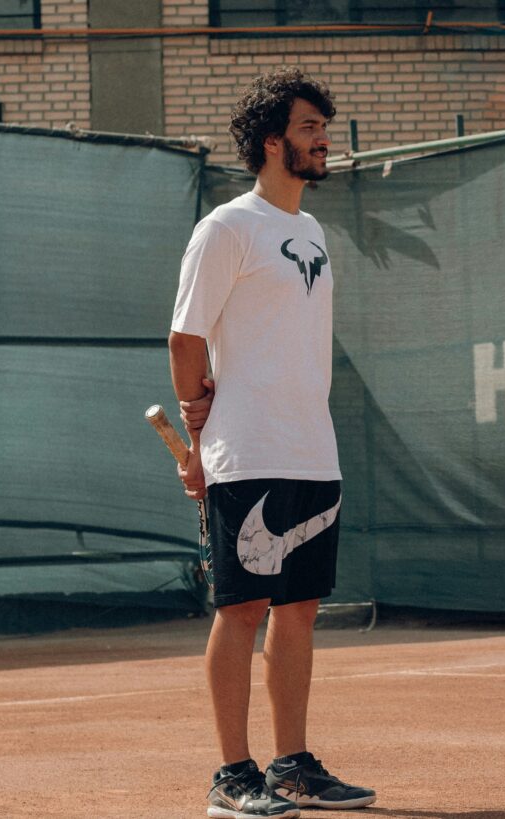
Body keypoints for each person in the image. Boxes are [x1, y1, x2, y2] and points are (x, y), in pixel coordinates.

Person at [169, 68, 377, 818]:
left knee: (299, 608)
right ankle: (233, 774)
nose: (323, 140)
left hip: (311, 448)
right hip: (248, 450)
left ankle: (292, 766)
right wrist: (198, 425)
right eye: (309, 128)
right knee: (244, 607)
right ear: (270, 142)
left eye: (324, 128)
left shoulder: (311, 231)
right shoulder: (226, 228)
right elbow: (186, 336)